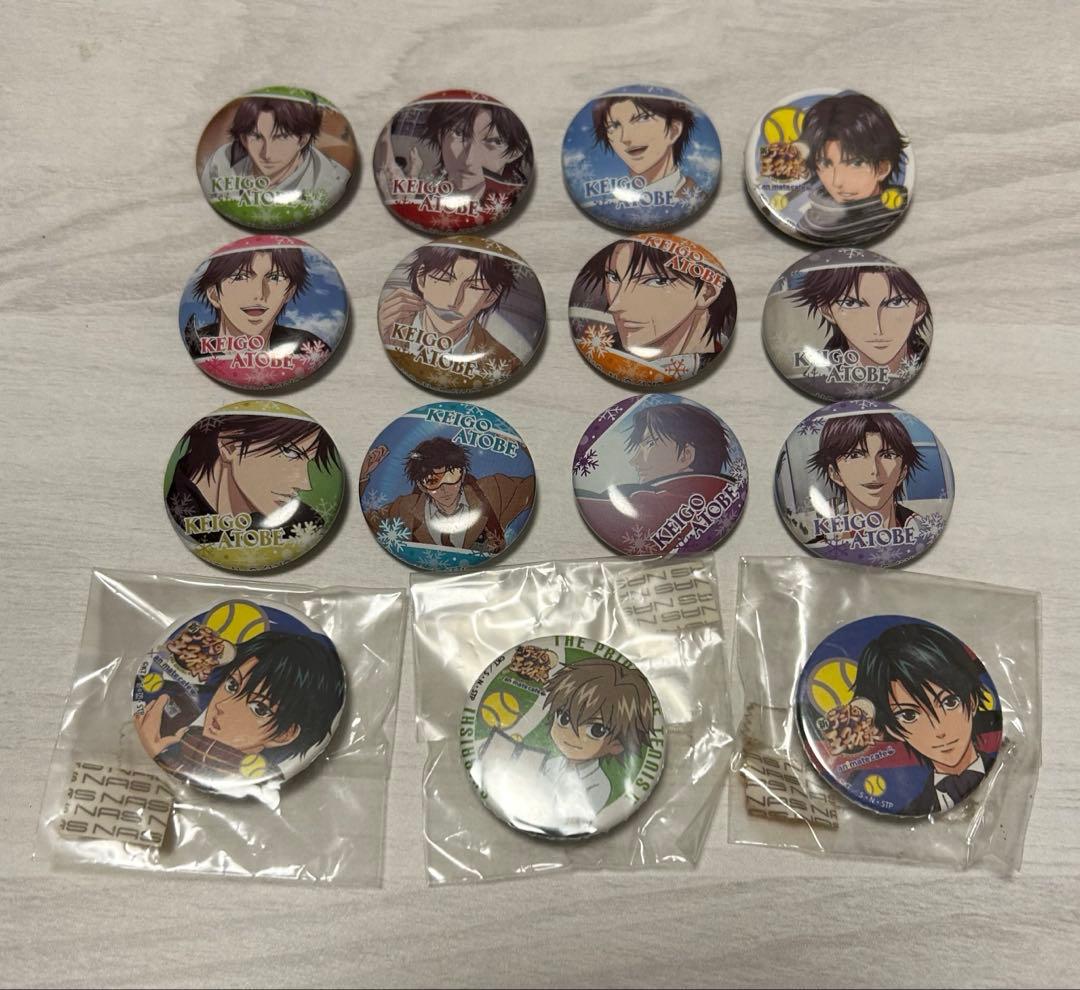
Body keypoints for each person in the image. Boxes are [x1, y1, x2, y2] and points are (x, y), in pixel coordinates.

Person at [134, 631, 345, 789]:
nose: (222, 706)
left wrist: (159, 753)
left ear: (285, 734)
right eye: (232, 685)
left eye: (259, 708)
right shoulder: (183, 732)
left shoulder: (253, 776)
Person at [852, 622, 1000, 814]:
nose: (940, 730)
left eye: (949, 702)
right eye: (909, 715)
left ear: (971, 700)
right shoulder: (914, 807)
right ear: (891, 729)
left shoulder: (1008, 769)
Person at [575, 402, 736, 554]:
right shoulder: (720, 490)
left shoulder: (655, 504)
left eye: (650, 444)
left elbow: (603, 511)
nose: (635, 460)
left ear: (686, 455)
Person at [572, 238, 735, 383]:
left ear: (706, 294)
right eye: (613, 277)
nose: (615, 306)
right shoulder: (604, 349)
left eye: (657, 281)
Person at [165, 413, 340, 542]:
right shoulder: (179, 516)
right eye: (289, 451)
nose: (306, 484)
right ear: (229, 446)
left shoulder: (305, 525)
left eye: (308, 461)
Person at [359, 436, 534, 555]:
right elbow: (370, 518)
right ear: (421, 485)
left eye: (451, 476)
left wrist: (520, 445)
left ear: (462, 474)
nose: (444, 488)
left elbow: (530, 486)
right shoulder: (404, 509)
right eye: (432, 481)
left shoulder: (494, 491)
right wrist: (364, 476)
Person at [378, 244, 521, 387]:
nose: (453, 302)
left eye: (474, 287)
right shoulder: (390, 326)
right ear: (421, 278)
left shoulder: (503, 363)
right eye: (444, 278)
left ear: (491, 297)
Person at [537, 658, 654, 817]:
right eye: (564, 718)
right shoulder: (550, 764)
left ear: (617, 745)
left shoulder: (598, 785)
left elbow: (574, 820)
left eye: (596, 730)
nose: (571, 734)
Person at [792, 92, 909, 242]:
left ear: (883, 168)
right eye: (825, 163)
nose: (837, 181)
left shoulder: (895, 217)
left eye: (855, 163)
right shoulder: (810, 223)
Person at [376, 98, 531, 209]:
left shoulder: (511, 202)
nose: (469, 160)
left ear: (516, 152)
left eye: (494, 142)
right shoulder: (427, 190)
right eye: (459, 134)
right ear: (440, 136)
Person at [200, 93, 350, 202]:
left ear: (303, 140)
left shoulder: (333, 179)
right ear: (244, 139)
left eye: (281, 137)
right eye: (257, 137)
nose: (267, 153)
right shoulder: (220, 166)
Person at [185, 246, 325, 361]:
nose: (259, 293)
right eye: (240, 277)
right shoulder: (196, 344)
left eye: (275, 277)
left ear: (289, 292)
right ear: (214, 295)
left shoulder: (310, 348)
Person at [788, 262, 931, 371]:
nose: (877, 329)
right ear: (827, 310)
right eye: (851, 303)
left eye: (896, 302)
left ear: (920, 309)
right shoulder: (821, 371)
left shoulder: (928, 362)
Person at [807, 412, 925, 531]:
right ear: (834, 473)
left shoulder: (921, 528)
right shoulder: (825, 535)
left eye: (887, 455)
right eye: (855, 455)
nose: (874, 470)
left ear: (902, 473)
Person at [591, 93, 697, 201]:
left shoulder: (694, 199)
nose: (625, 138)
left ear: (674, 130)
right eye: (614, 126)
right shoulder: (604, 204)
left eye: (642, 118)